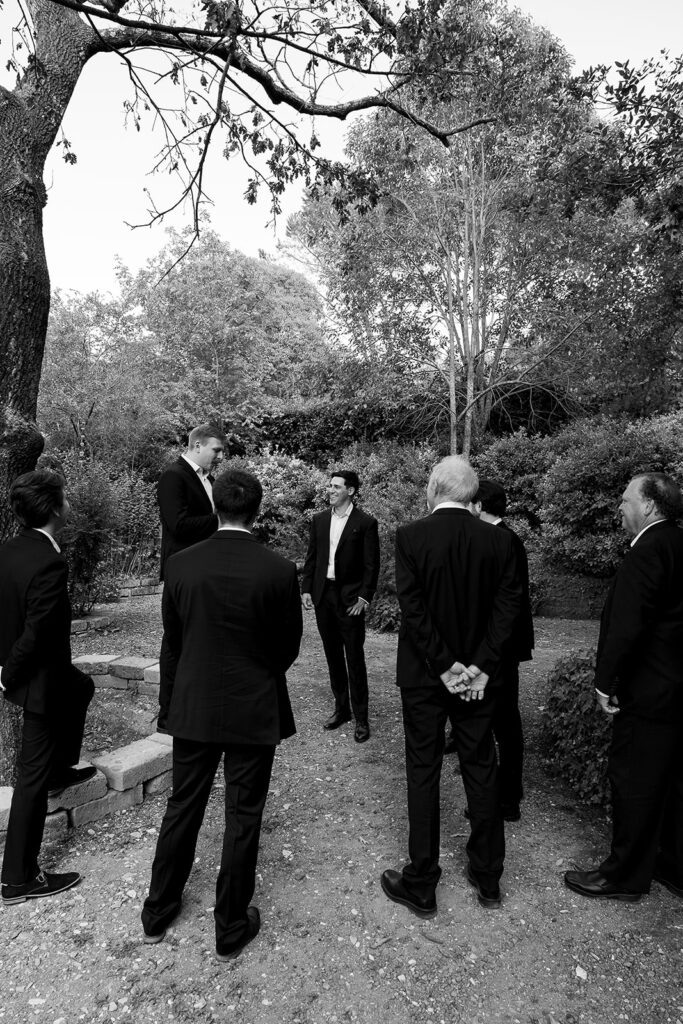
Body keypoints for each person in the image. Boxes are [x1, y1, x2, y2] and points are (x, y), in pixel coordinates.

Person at [141, 469, 303, 959]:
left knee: (183, 805)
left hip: (194, 703)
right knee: (243, 814)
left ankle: (158, 908)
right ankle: (230, 924)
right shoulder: (278, 569)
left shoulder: (183, 565)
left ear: (215, 504)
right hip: (253, 705)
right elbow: (287, 646)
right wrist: (258, 675)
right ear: (257, 509)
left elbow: (174, 643)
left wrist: (171, 701)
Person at [381, 456, 521, 916]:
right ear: (471, 495)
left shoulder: (411, 536)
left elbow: (413, 608)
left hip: (425, 675)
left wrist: (444, 666)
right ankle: (488, 877)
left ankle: (421, 881)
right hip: (479, 679)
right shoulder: (499, 541)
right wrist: (478, 666)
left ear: (434, 488)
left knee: (423, 768)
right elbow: (507, 613)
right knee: (481, 765)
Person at [565, 472, 683, 902]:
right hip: (676, 690)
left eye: (625, 499)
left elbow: (627, 627)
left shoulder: (647, 551)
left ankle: (625, 876)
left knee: (634, 779)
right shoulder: (678, 543)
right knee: (673, 782)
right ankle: (673, 866)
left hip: (649, 691)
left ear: (650, 506)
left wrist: (606, 681)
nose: (619, 507)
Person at [0, 470, 96, 906]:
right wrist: (8, 672)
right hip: (36, 679)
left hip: (50, 675)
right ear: (55, 508)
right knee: (29, 778)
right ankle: (18, 878)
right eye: (66, 497)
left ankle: (61, 770)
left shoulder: (12, 550)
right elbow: (37, 631)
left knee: (82, 687)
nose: (69, 503)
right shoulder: (50, 562)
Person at [454, 480, 534, 823]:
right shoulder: (500, 538)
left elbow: (508, 603)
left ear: (478, 505)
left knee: (504, 722)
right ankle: (496, 790)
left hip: (501, 648)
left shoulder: (505, 540)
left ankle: (507, 796)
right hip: (497, 646)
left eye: (470, 503)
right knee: (499, 719)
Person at [301, 470, 380, 743]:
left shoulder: (365, 523)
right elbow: (312, 558)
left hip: (350, 600)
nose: (330, 490)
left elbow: (372, 565)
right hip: (324, 596)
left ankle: (361, 717)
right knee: (333, 656)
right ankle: (341, 709)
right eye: (330, 486)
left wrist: (364, 597)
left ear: (351, 491)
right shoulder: (319, 520)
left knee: (354, 659)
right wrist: (307, 589)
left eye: (336, 487)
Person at [156, 423, 226, 729]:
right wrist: (222, 520)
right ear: (197, 446)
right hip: (181, 571)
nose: (220, 456)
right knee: (174, 640)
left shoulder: (209, 479)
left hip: (205, 570)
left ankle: (196, 704)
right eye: (216, 449)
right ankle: (167, 714)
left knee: (201, 638)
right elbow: (178, 524)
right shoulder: (174, 476)